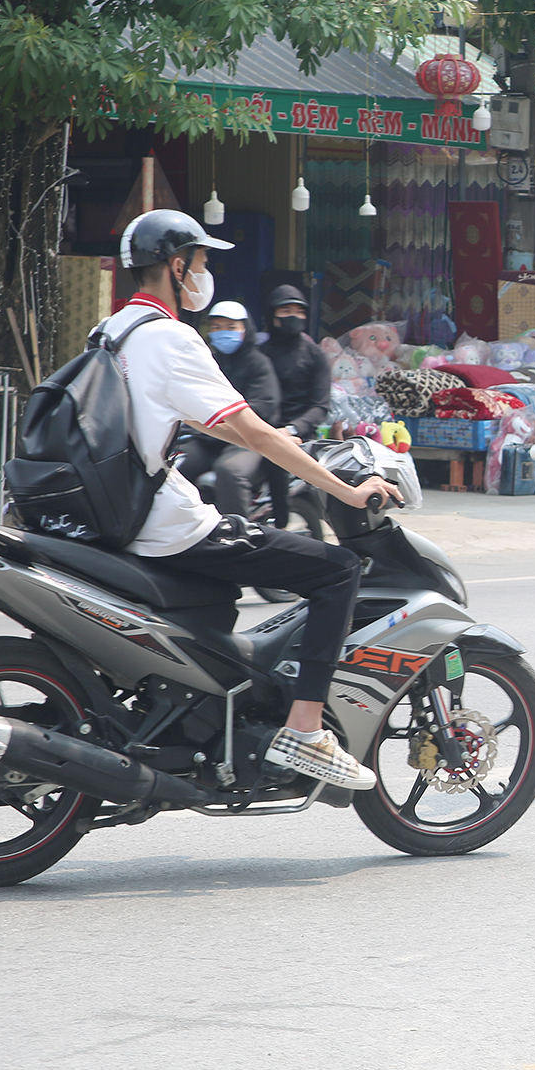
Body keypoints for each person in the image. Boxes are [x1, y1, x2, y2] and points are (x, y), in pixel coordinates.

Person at [109, 211, 403, 788]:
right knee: (338, 570)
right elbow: (258, 432)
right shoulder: (171, 337)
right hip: (166, 523)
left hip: (116, 514)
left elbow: (222, 425)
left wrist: (255, 435)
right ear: (176, 266)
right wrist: (345, 488)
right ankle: (305, 730)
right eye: (201, 261)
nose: (205, 272)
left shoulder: (113, 331)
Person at [176, 301, 280, 518]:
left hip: (246, 438)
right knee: (178, 467)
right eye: (217, 327)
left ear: (245, 329)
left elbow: (263, 405)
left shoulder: (259, 363)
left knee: (230, 471)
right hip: (207, 436)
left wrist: (224, 422)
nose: (223, 332)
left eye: (231, 328)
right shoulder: (208, 360)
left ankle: (237, 535)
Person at [257, 284, 332, 525]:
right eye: (285, 310)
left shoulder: (315, 355)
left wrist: (291, 429)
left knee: (275, 458)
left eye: (299, 311)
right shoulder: (258, 354)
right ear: (272, 314)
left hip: (298, 434)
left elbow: (320, 406)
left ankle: (281, 524)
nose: (293, 317)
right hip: (259, 427)